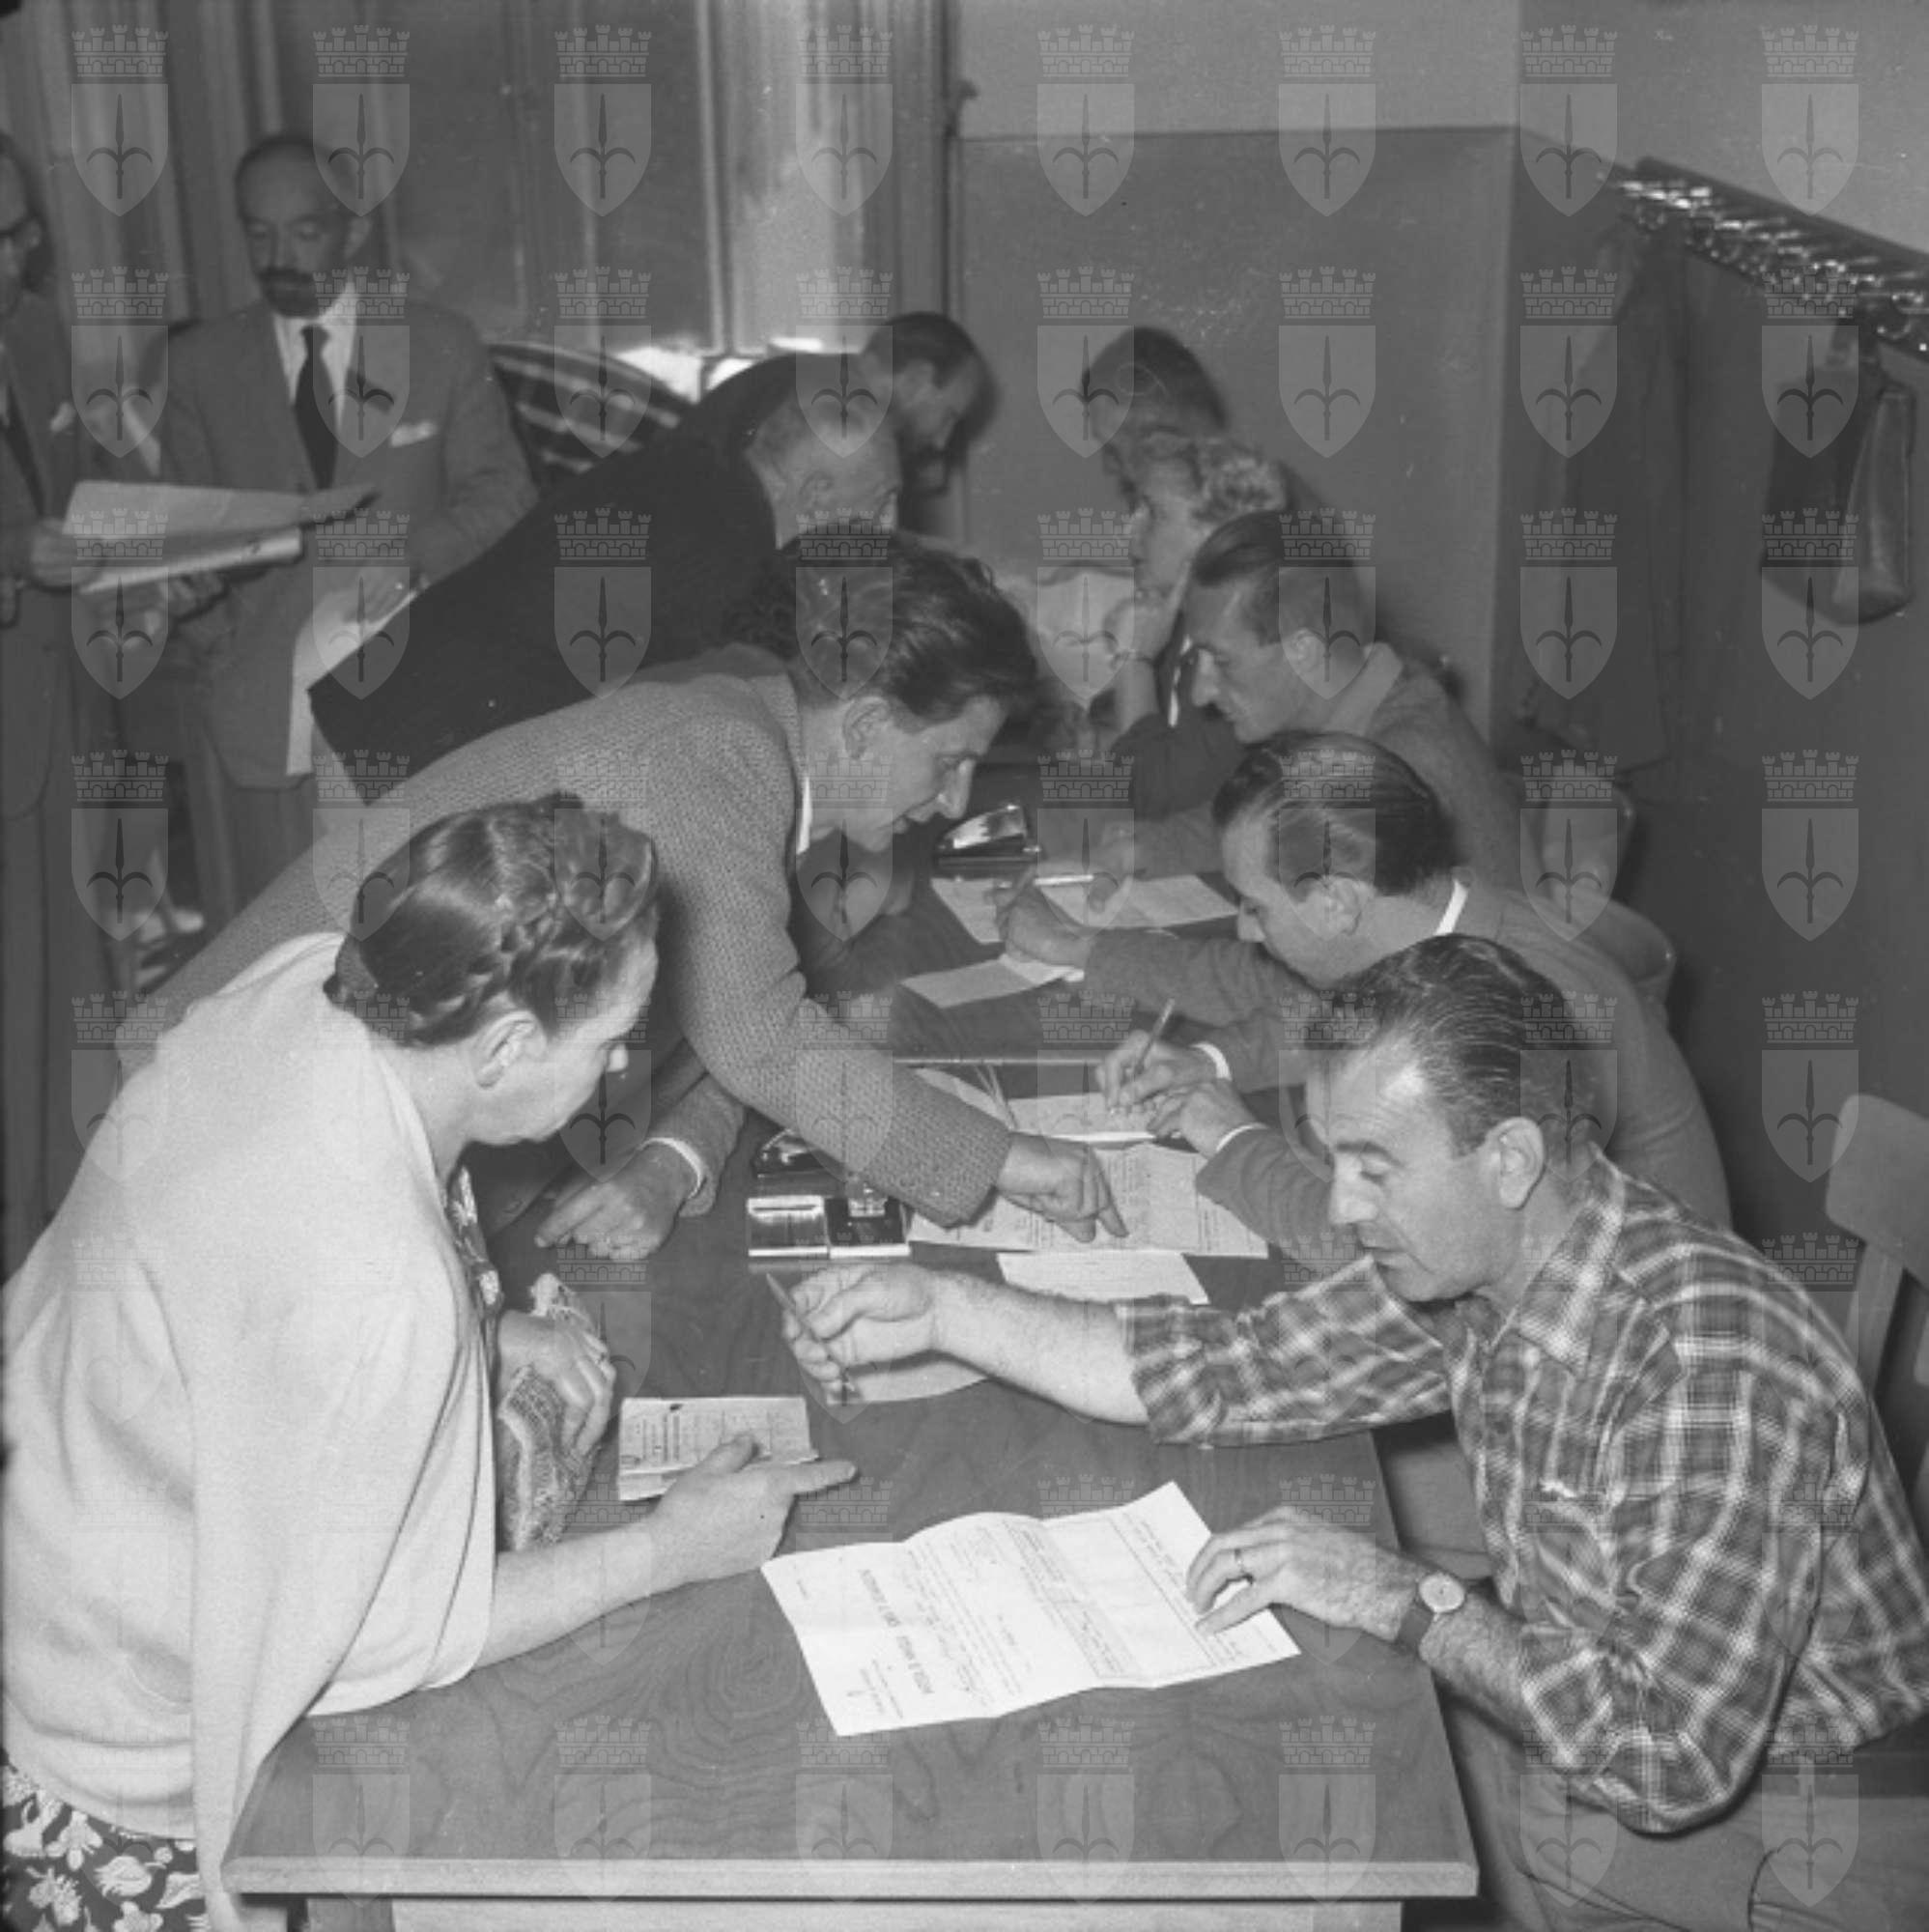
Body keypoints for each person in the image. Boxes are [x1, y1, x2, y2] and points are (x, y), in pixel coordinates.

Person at [780, 934, 1929, 1932]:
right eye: (1334, 1159)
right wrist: (947, 1309)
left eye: (1373, 1168)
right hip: (1593, 1709)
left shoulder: (1704, 1377)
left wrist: (1398, 1591)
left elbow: (1662, 1756)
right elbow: (1230, 1367)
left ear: (1509, 1159)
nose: (1338, 1205)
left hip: (1781, 1836)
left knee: (1279, 1822)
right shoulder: (1495, 1258)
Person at [2, 797, 855, 1932]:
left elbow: (239, 1273)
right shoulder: (381, 1288)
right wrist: (673, 1543)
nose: (621, 1067)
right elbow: (392, 1635)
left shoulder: (311, 984)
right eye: (610, 1039)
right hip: (112, 1763)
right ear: (502, 1048)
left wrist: (483, 1325)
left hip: (42, 1554)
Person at [150, 532, 1122, 1259]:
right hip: (222, 1126)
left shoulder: (749, 744)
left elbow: (731, 1016)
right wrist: (1006, 1158)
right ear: (866, 726)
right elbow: (760, 1037)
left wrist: (673, 1158)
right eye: (949, 762)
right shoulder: (720, 755)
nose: (952, 802)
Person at [1001, 731, 1730, 1257]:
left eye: (1255, 907)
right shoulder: (1438, 914)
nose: (1245, 929)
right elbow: (1322, 1013)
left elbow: (1367, 1248)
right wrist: (1208, 1063)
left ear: (1335, 904)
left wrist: (1229, 1137)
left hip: (1619, 1350)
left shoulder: (1509, 1007)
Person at [159, 132, 535, 923]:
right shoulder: (198, 366)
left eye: (304, 232)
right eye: (258, 233)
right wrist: (206, 626)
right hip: (265, 723)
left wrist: (415, 560)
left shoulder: (437, 344)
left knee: (417, 937)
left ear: (354, 231)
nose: (278, 258)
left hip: (419, 703)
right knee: (282, 950)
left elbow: (504, 492)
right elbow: (183, 529)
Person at [312, 382, 900, 783]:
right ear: (815, 497)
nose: (889, 527)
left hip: (375, 720)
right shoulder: (729, 555)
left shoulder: (693, 472)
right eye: (880, 504)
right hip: (405, 760)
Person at [1090, 508, 1521, 890]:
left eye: (1221, 661)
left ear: (1305, 652)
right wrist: (1155, 845)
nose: (1201, 694)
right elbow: (1272, 819)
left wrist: (1100, 948)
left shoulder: (1399, 765)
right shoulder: (1351, 704)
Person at [0, 131, 122, 1272]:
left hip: (56, 728)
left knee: (63, 1010)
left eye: (24, 232)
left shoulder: (38, 333)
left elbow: (86, 496)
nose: (20, 257)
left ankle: (57, 1258)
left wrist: (152, 561)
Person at [1094, 429, 1295, 821]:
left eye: (1154, 513)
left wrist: (1133, 660)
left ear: (1217, 535)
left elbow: (1157, 797)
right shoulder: (1179, 625)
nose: (1129, 531)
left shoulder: (1239, 646)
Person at [675, 309, 989, 504]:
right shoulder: (829, 413)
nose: (941, 441)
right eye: (948, 416)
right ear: (917, 379)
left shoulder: (810, 380)